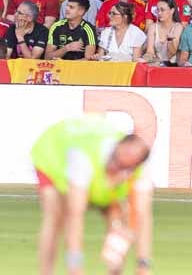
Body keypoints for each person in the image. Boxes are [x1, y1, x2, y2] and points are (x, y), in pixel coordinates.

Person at [30, 115, 153, 275]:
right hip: (53, 156)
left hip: (95, 170)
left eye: (125, 169)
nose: (119, 171)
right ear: (116, 150)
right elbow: (75, 217)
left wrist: (143, 265)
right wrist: (75, 267)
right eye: (117, 164)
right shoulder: (83, 160)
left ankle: (115, 272)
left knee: (120, 220)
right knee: (56, 217)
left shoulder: (141, 170)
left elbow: (142, 216)